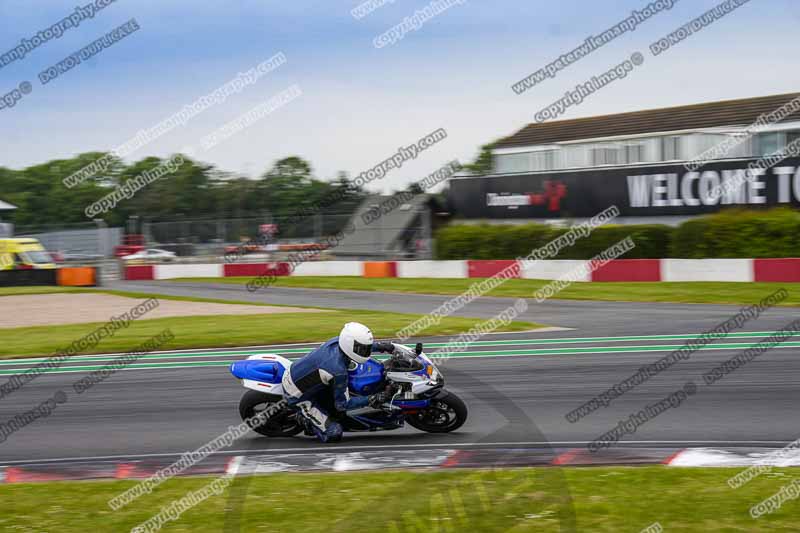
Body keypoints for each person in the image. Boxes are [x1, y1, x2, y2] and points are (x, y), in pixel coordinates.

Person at [281, 322, 397, 442]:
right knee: (334, 433)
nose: (366, 350)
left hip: (300, 373)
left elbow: (358, 347)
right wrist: (373, 398)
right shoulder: (338, 371)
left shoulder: (337, 342)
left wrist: (381, 346)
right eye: (364, 348)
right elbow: (343, 405)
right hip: (297, 394)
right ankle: (305, 419)